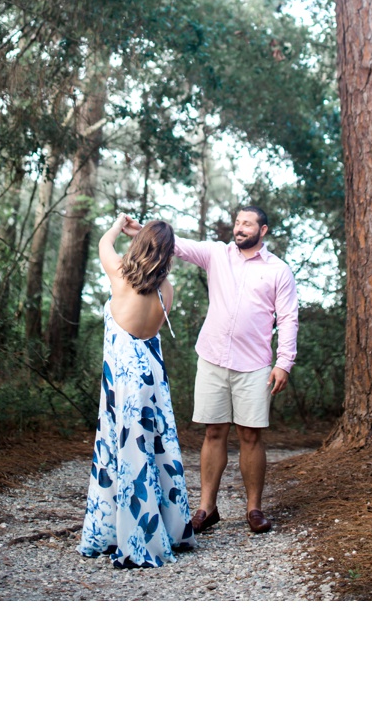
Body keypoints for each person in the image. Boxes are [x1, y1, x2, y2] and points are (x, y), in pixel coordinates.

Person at [137, 206, 299, 535]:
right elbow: (175, 244)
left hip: (254, 365)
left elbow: (288, 318)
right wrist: (139, 231)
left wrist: (284, 362)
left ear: (263, 230)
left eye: (248, 224)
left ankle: (254, 509)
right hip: (212, 358)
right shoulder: (216, 254)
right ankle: (206, 508)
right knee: (213, 432)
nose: (240, 228)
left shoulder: (279, 270)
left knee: (251, 435)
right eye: (238, 222)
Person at [77, 216, 197, 568]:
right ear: (168, 255)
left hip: (125, 380)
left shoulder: (121, 277)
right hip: (151, 377)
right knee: (156, 451)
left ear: (141, 245)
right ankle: (168, 529)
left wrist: (118, 226)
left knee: (128, 454)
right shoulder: (167, 290)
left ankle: (137, 539)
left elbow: (104, 243)